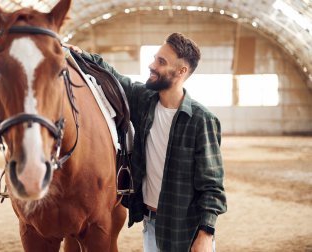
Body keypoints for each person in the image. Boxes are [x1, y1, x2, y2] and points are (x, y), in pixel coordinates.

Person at [65, 32, 227, 252]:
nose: (152, 65)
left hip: (186, 229)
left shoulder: (202, 120)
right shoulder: (144, 101)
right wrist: (82, 56)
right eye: (154, 58)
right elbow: (113, 77)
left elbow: (212, 186)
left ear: (181, 71)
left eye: (161, 62)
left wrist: (206, 234)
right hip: (151, 223)